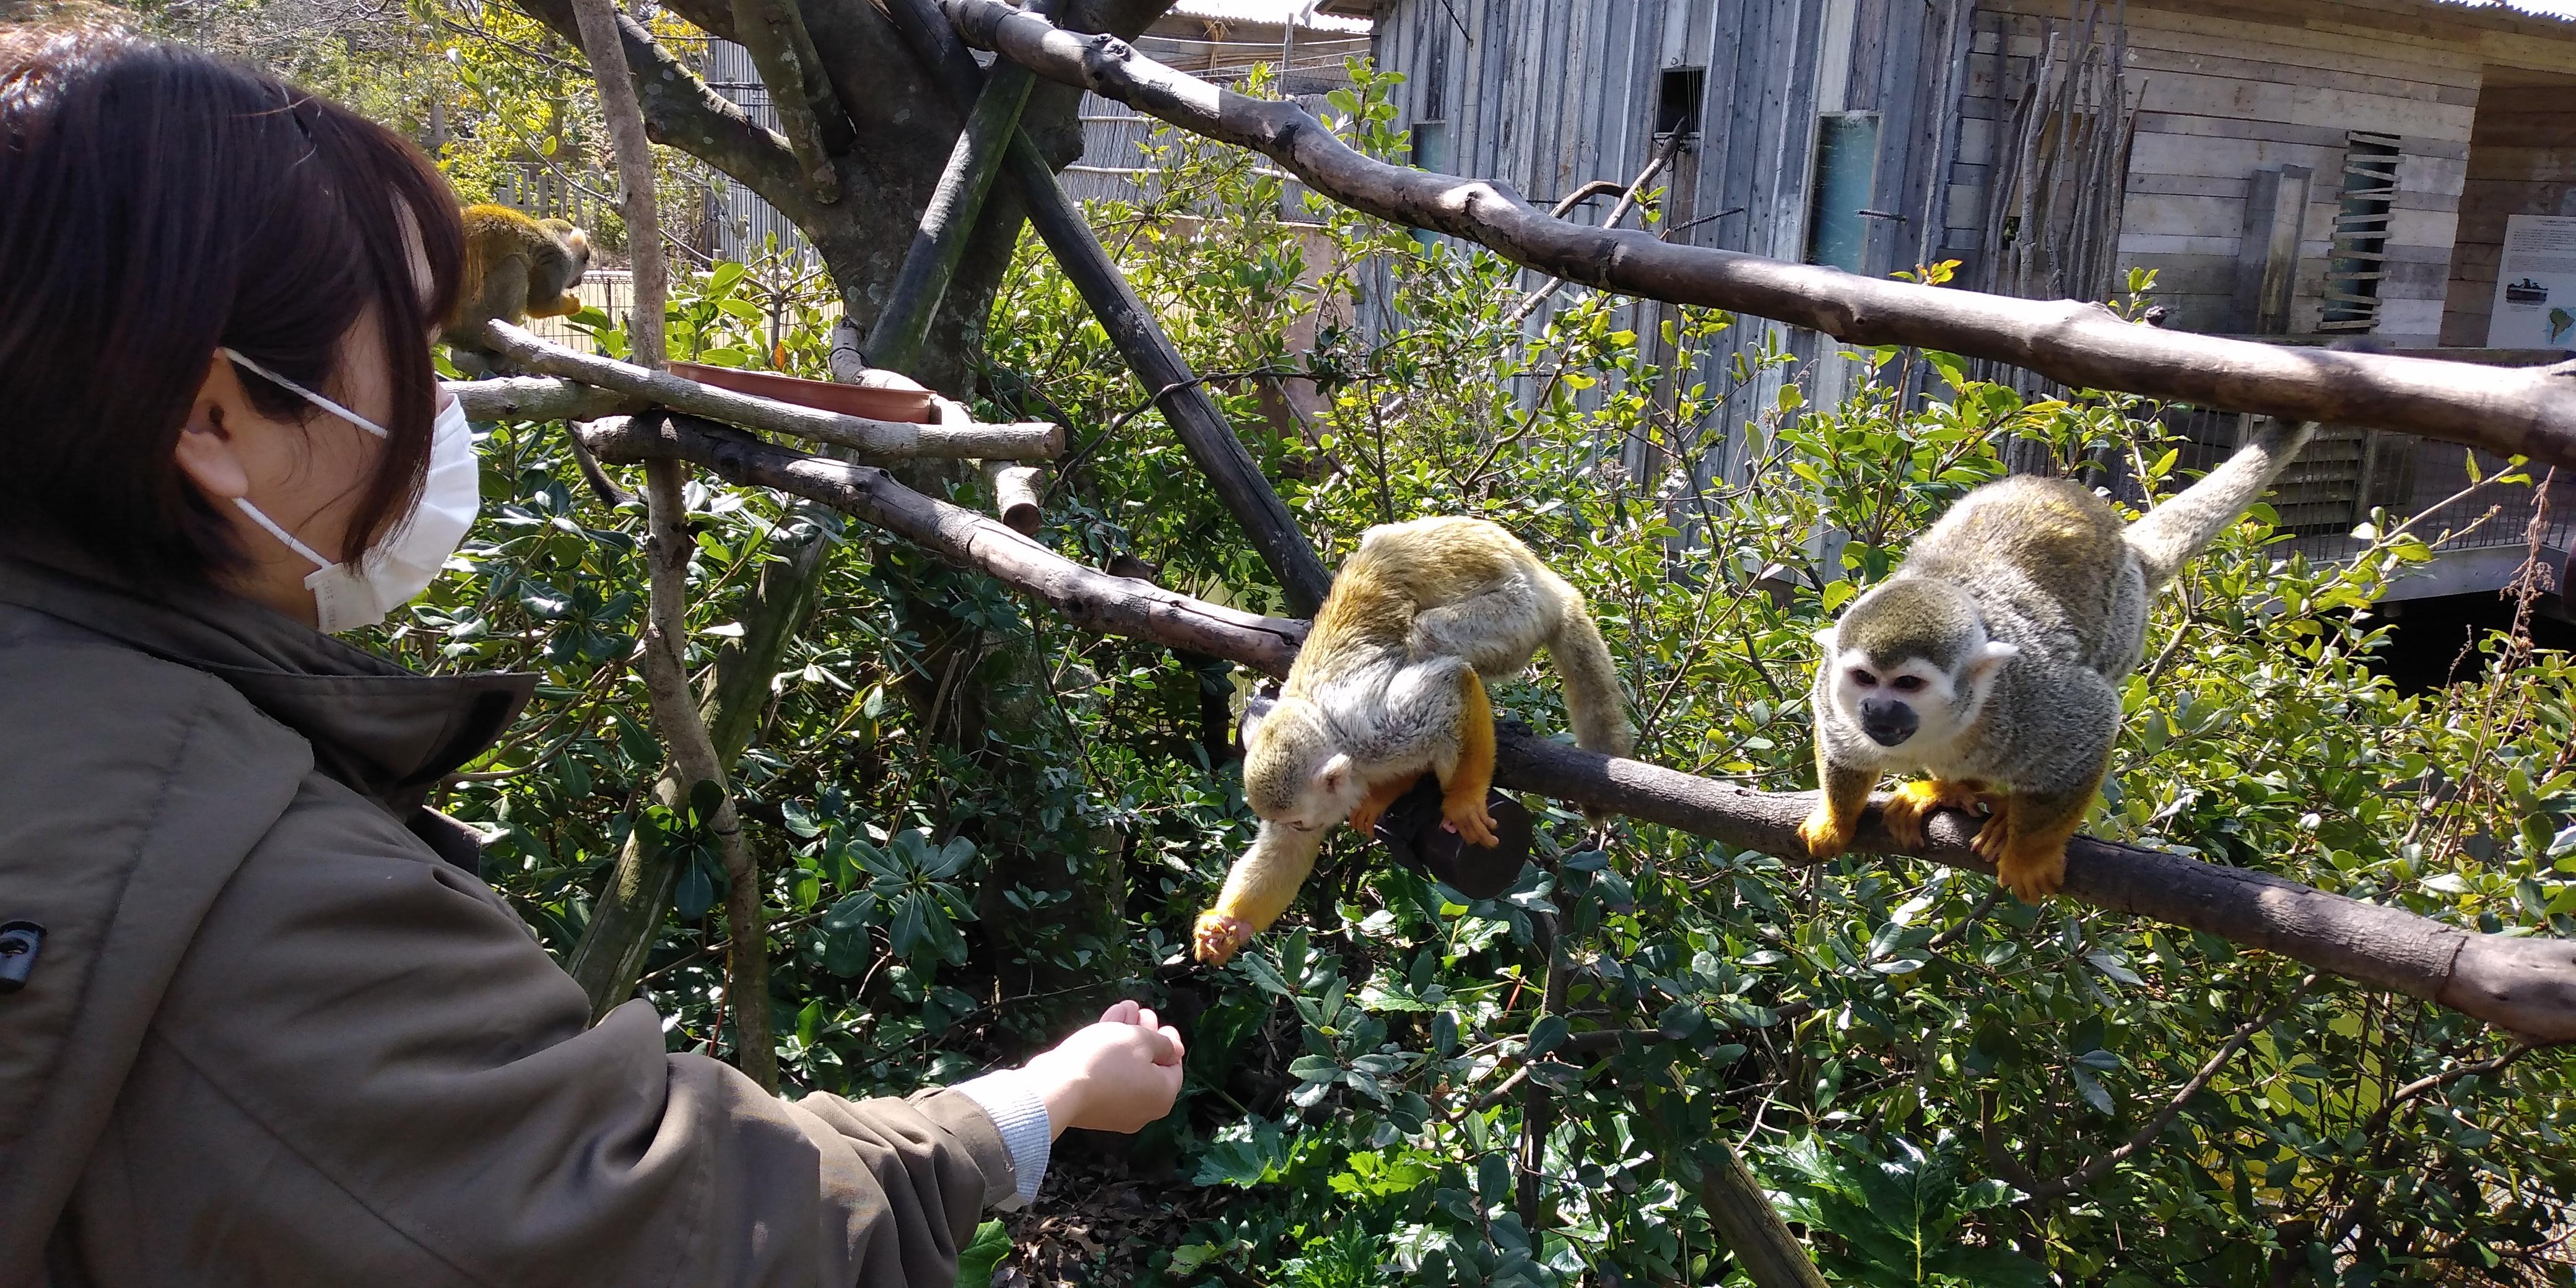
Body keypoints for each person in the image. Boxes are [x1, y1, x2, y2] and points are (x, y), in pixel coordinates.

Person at [0, 25, 1184, 1286]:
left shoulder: (71, 713)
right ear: (211, 416)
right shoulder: (253, 906)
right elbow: (706, 1239)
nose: (434, 397)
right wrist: (1029, 1104)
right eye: (404, 338)